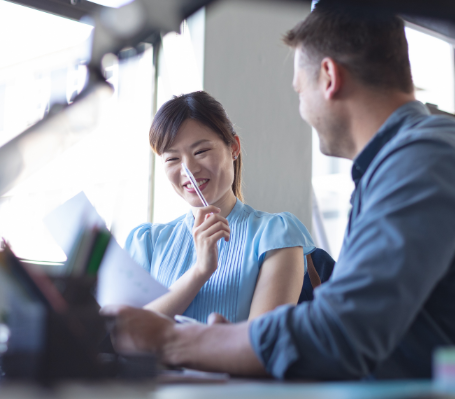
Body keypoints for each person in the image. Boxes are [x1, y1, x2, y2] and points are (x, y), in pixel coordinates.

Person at [102, 2, 455, 380]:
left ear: (329, 77)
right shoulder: (400, 163)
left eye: (300, 91)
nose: (301, 109)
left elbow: (341, 332)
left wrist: (174, 341)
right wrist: (225, 339)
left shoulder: (422, 156)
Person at [123, 90, 316, 324]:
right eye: (172, 159)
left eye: (201, 151)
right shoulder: (148, 242)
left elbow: (258, 348)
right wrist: (200, 271)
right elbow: (126, 334)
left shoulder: (276, 235)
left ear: (234, 147)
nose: (189, 170)